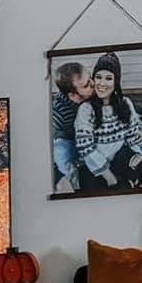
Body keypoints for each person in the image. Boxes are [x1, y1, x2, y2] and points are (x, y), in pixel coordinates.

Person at [74, 51, 142, 191]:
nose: (102, 83)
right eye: (98, 77)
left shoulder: (125, 103)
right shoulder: (86, 108)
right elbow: (85, 148)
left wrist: (138, 145)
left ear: (115, 81)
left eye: (108, 78)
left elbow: (132, 136)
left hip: (120, 159)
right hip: (95, 165)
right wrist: (109, 176)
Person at [52, 62, 95, 191]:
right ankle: (73, 187)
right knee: (59, 151)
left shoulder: (93, 94)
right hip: (70, 142)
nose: (93, 83)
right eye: (87, 85)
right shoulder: (58, 112)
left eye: (90, 78)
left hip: (91, 137)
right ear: (73, 96)